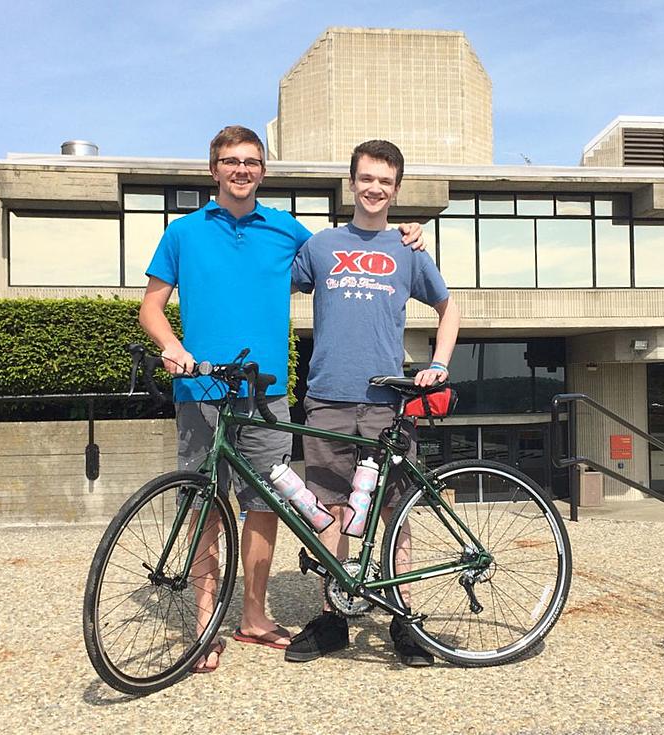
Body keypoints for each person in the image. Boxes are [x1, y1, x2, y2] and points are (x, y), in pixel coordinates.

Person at [139, 126, 424, 673]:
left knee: (265, 503)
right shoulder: (183, 233)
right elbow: (151, 307)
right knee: (204, 506)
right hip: (200, 389)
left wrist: (405, 233)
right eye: (230, 161)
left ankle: (253, 616)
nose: (240, 169)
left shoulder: (289, 232)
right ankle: (204, 627)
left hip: (267, 393)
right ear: (213, 168)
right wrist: (173, 350)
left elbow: (349, 250)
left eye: (251, 161)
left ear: (263, 171)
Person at [285, 139, 460, 667]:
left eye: (385, 180)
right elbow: (269, 284)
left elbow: (449, 307)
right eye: (367, 177)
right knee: (330, 509)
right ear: (352, 181)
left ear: (396, 187)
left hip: (388, 401)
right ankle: (334, 615)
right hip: (328, 399)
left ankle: (404, 616)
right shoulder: (320, 246)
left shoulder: (409, 249)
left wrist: (440, 363)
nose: (375, 187)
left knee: (394, 509)